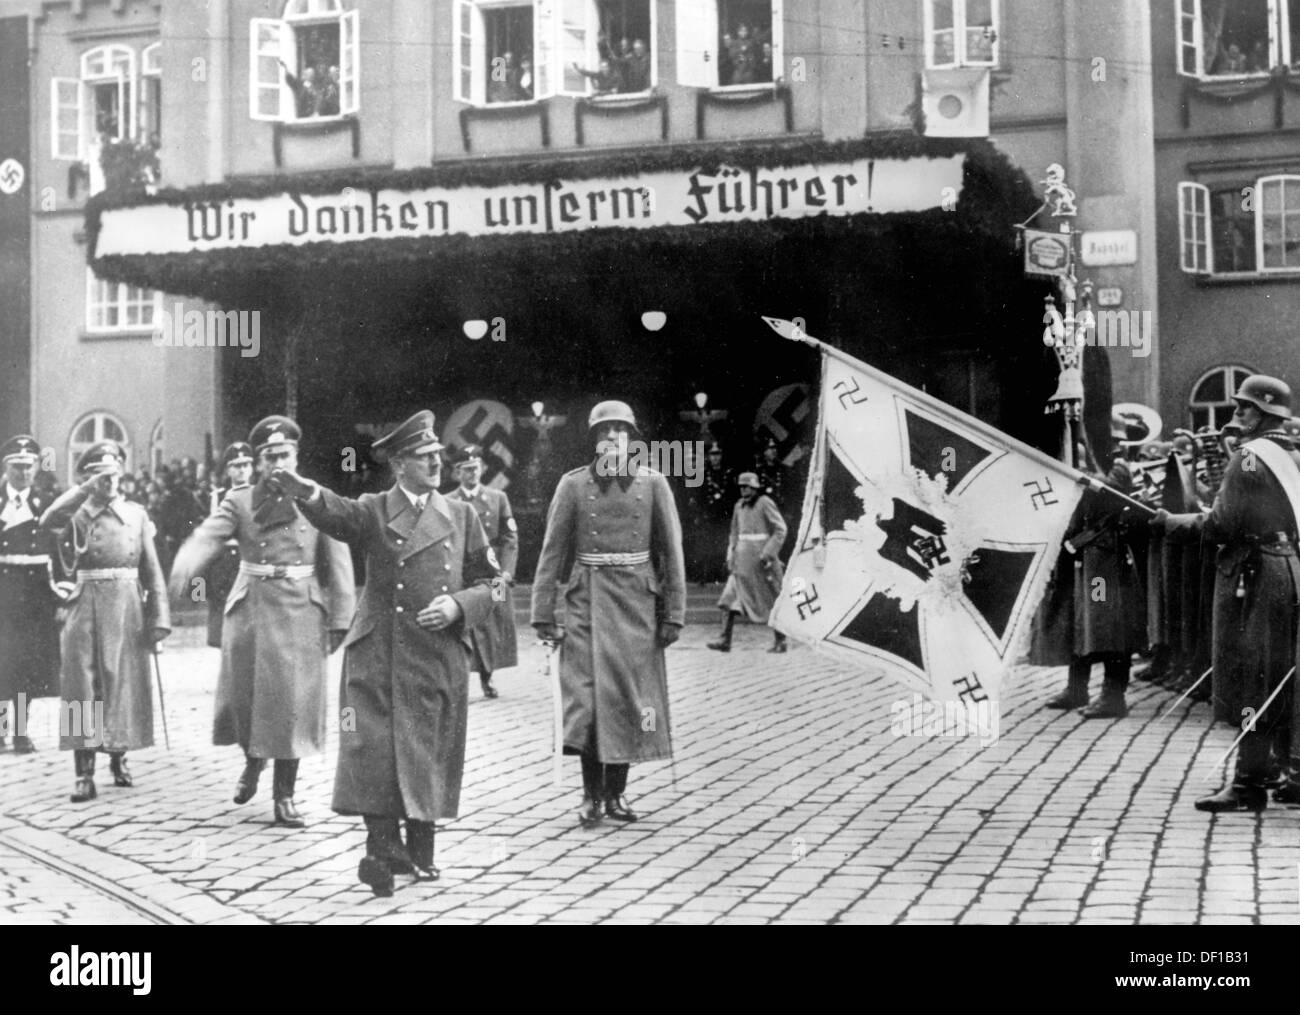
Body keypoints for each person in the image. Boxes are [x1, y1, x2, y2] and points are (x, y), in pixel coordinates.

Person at [275, 411, 498, 896]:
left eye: (438, 454)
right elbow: (336, 511)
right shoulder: (375, 509)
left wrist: (460, 605)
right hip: (377, 649)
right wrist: (303, 490)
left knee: (426, 746)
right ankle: (382, 847)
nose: (436, 463)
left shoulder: (462, 516)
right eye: (424, 457)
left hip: (436, 653)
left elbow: (496, 584)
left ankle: (418, 851)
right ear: (399, 464)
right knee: (371, 746)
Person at [169, 417, 355, 828]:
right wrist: (185, 567)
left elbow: (339, 561)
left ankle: (284, 795)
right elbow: (208, 536)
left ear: (296, 456)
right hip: (251, 608)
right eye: (269, 457)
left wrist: (341, 617)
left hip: (301, 611)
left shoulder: (318, 498)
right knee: (245, 698)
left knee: (292, 706)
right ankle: (253, 760)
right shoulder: (240, 500)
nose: (277, 464)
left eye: (284, 455)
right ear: (258, 461)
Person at [531, 401, 686, 828]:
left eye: (620, 431)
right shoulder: (573, 485)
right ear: (594, 439)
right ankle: (589, 796)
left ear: (632, 440)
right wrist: (544, 611)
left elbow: (670, 553)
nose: (611, 438)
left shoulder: (653, 485)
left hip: (637, 603)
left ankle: (615, 795)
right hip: (586, 602)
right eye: (604, 431)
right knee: (586, 702)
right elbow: (552, 552)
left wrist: (673, 612)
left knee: (629, 701)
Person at [1155, 376, 1300, 812]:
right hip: (1289, 567)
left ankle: (1248, 784)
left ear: (1264, 414)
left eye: (1244, 408)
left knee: (1249, 677)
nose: (1236, 414)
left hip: (1254, 577)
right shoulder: (1293, 455)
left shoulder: (1248, 458)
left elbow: (1220, 526)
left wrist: (1171, 523)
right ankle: (1291, 774)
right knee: (1285, 676)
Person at [39, 441, 169, 802]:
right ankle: (83, 773)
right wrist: (83, 490)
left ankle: (118, 756)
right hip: (85, 603)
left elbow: (152, 568)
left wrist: (159, 618)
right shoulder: (77, 513)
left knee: (120, 682)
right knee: (83, 683)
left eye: (114, 472)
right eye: (100, 474)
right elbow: (48, 521)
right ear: (87, 477)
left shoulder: (137, 514)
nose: (109, 480)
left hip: (127, 605)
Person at [1045, 418, 1146, 719]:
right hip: (1086, 554)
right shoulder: (1091, 465)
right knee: (1082, 622)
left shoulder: (1119, 467)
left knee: (1110, 626)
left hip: (1107, 556)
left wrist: (1079, 470)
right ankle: (1077, 688)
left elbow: (1106, 491)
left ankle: (1113, 695)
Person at [0, 436, 63, 753]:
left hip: (34, 597)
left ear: (36, 468)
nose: (23, 473)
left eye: (28, 467)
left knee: (26, 664)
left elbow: (59, 552)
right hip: (2, 593)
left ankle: (22, 731)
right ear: (6, 467)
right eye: (17, 467)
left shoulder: (47, 503)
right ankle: (0, 731)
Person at [446, 445, 518, 700]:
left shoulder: (498, 498)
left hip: (495, 574)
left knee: (494, 621)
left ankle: (488, 677)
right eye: (466, 470)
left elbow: (510, 537)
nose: (472, 474)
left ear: (482, 469)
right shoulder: (449, 501)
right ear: (457, 473)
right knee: (465, 622)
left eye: (475, 468)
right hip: (465, 574)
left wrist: (507, 572)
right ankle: (462, 679)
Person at [707, 472, 788, 653]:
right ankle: (724, 640)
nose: (744, 489)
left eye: (747, 486)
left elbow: (780, 529)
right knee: (729, 598)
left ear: (755, 487)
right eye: (741, 486)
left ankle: (781, 640)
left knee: (773, 598)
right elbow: (734, 533)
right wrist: (731, 554)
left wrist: (768, 553)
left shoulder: (764, 503)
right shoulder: (738, 506)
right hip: (741, 563)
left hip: (761, 564)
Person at [201, 442, 256, 650]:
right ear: (228, 469)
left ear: (252, 467)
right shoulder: (219, 496)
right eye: (236, 465)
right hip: (224, 562)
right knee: (222, 619)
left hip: (248, 558)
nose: (242, 470)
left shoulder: (259, 494)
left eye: (245, 464)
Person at [690, 442, 734, 584]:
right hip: (707, 516)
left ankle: (720, 575)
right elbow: (698, 496)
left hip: (723, 516)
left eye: (717, 454)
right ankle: (705, 575)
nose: (715, 458)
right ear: (708, 457)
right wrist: (700, 514)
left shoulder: (728, 473)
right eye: (712, 455)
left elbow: (731, 496)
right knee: (706, 546)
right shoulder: (703, 474)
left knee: (722, 545)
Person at [753, 436, 787, 509]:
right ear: (764, 452)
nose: (774, 451)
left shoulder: (783, 470)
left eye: (775, 448)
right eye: (770, 448)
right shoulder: (758, 472)